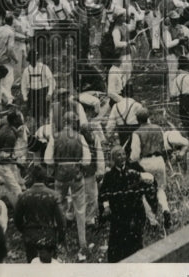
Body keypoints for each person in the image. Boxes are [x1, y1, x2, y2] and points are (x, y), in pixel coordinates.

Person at [44, 111, 91, 261]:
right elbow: (87, 160)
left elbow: (48, 159)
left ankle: (61, 241)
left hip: (60, 175)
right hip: (76, 175)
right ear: (74, 122)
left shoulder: (55, 136)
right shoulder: (80, 137)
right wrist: (77, 165)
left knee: (60, 207)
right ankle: (82, 242)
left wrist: (58, 165)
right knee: (80, 208)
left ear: (63, 122)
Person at [99, 145, 154, 262]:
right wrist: (106, 207)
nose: (122, 157)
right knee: (117, 243)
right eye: (118, 155)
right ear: (113, 159)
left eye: (123, 154)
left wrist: (142, 178)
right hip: (118, 215)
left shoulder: (134, 169)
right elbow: (103, 194)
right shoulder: (109, 176)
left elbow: (149, 182)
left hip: (135, 212)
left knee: (135, 240)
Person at [13, 164, 66, 262]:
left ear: (32, 178)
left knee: (32, 264)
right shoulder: (53, 195)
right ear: (45, 178)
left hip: (30, 235)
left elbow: (17, 219)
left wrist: (25, 230)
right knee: (49, 266)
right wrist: (60, 237)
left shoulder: (23, 196)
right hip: (49, 236)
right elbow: (61, 221)